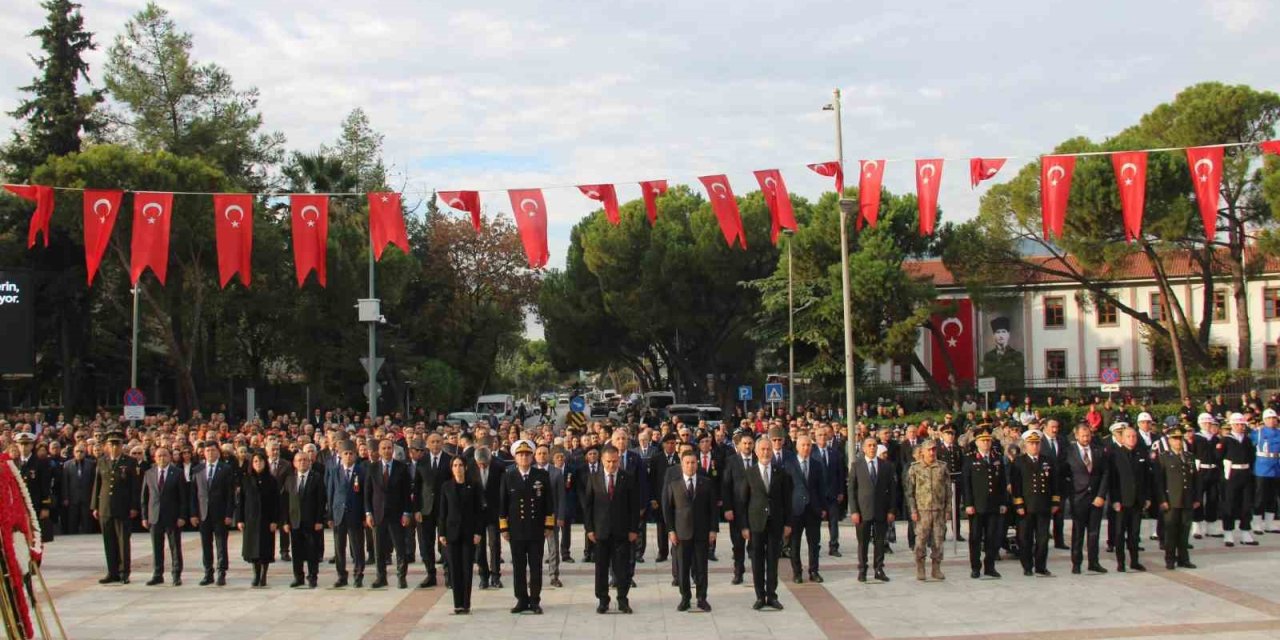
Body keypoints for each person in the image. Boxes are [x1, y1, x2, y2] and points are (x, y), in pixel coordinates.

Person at [583, 444, 642, 614]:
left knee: (622, 569)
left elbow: (634, 506)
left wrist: (633, 529)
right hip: (600, 532)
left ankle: (623, 599)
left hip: (622, 532)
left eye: (615, 461)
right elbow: (588, 506)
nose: (612, 465)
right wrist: (589, 529)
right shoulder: (593, 478)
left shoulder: (627, 477)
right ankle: (603, 600)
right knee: (601, 569)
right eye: (608, 462)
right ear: (602, 460)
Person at [499, 440, 554, 615]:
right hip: (516, 530)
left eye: (527, 454)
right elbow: (502, 504)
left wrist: (549, 525)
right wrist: (504, 528)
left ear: (532, 457)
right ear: (515, 458)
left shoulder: (541, 475)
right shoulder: (508, 476)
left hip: (536, 529)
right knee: (519, 567)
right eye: (520, 454)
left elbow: (549, 502)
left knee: (536, 566)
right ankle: (521, 599)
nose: (524, 457)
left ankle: (535, 600)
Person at [737, 436, 792, 611]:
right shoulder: (749, 473)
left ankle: (772, 595)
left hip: (775, 523)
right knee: (757, 561)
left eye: (768, 449)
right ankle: (760, 596)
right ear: (756, 451)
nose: (766, 452)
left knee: (773, 560)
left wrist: (788, 523)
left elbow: (787, 501)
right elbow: (742, 502)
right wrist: (744, 526)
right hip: (755, 524)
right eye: (762, 449)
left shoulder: (781, 473)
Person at [662, 450, 717, 612]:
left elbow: (713, 509)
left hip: (701, 532)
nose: (691, 466)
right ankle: (685, 597)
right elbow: (668, 509)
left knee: (701, 568)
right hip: (681, 532)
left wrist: (713, 529)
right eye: (687, 463)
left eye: (693, 462)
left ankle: (702, 598)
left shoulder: (706, 483)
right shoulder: (674, 484)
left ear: (697, 463)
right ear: (681, 464)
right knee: (683, 568)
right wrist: (670, 530)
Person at [90, 431, 139, 584]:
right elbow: (97, 485)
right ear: (106, 446)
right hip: (105, 506)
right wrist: (95, 506)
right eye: (111, 444)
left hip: (123, 507)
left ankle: (124, 572)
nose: (114, 447)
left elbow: (134, 487)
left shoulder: (130, 462)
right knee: (108, 540)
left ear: (121, 446)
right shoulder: (102, 461)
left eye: (117, 444)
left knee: (123, 541)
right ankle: (112, 572)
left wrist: (133, 506)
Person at [1010, 430, 1060, 576]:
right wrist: (1018, 504)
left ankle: (1041, 566)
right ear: (1025, 445)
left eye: (1037, 443)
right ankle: (1027, 566)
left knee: (1043, 539)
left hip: (1043, 505)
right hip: (1026, 506)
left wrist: (1055, 502)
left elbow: (1055, 483)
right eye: (1031, 443)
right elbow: (1016, 485)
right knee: (1025, 538)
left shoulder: (1048, 460)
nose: (1034, 446)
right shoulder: (1019, 461)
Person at [438, 456, 483, 614]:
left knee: (466, 569)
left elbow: (479, 511)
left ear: (465, 467)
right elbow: (442, 512)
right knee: (454, 569)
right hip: (451, 533)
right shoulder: (446, 487)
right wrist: (441, 532)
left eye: (460, 465)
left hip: (469, 533)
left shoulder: (474, 485)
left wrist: (478, 531)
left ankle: (466, 604)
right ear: (452, 468)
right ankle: (457, 604)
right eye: (455, 465)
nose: (458, 468)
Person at [848, 436, 897, 583]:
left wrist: (891, 510)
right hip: (863, 512)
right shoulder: (857, 465)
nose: (872, 448)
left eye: (874, 445)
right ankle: (862, 570)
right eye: (869, 445)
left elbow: (893, 491)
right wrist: (854, 511)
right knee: (862, 543)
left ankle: (879, 569)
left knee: (880, 541)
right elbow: (851, 490)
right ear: (863, 448)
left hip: (881, 510)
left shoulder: (886, 466)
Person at [366, 439, 412, 589]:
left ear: (393, 450)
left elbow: (406, 493)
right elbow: (367, 494)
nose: (386, 450)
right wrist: (368, 513)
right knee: (379, 548)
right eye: (383, 448)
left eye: (389, 448)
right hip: (378, 515)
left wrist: (406, 512)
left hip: (396, 514)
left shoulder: (401, 468)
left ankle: (401, 577)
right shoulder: (372, 468)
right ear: (378, 451)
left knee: (400, 547)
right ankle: (381, 577)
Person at [1154, 426, 1201, 570]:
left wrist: (1197, 498)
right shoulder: (1163, 457)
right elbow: (1159, 481)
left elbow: (1196, 479)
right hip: (1172, 500)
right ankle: (1170, 559)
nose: (1178, 442)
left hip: (1187, 500)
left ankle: (1183, 558)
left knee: (1184, 530)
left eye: (1180, 438)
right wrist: (1162, 500)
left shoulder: (1189, 457)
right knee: (1171, 531)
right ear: (1169, 441)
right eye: (1175, 439)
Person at [1064, 423, 1109, 574]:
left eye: (1088, 435)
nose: (1086, 438)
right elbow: (1065, 475)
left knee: (1094, 532)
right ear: (1076, 436)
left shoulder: (1098, 450)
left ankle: (1094, 562)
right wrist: (1071, 495)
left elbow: (1105, 473)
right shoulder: (1069, 452)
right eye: (1083, 435)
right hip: (1078, 498)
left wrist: (1101, 495)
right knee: (1078, 533)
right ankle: (1076, 563)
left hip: (1095, 498)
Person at [904, 439, 951, 581]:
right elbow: (909, 492)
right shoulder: (915, 468)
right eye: (929, 450)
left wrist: (948, 509)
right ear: (922, 452)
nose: (932, 452)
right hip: (922, 511)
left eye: (934, 449)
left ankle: (936, 568)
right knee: (921, 540)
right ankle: (920, 567)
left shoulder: (942, 467)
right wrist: (913, 510)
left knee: (938, 540)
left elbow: (948, 490)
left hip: (938, 510)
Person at [140, 446, 188, 586]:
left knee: (175, 547)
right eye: (159, 456)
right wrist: (144, 516)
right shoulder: (149, 473)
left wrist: (182, 516)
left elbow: (183, 497)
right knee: (156, 547)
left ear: (170, 457)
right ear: (155, 458)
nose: (162, 458)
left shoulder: (177, 473)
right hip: (154, 516)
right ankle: (157, 574)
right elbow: (144, 497)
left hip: (172, 516)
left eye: (165, 455)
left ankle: (176, 574)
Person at [961, 430, 1005, 578]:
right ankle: (975, 567)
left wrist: (1003, 502)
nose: (986, 443)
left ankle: (990, 566)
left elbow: (1002, 483)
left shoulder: (997, 458)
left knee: (992, 537)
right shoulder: (970, 459)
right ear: (977, 442)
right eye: (983, 441)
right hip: (977, 505)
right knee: (975, 538)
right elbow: (966, 484)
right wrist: (968, 504)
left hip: (993, 505)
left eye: (988, 441)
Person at [785, 433, 827, 583]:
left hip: (813, 509)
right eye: (803, 445)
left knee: (814, 543)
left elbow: (821, 487)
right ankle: (797, 572)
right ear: (797, 447)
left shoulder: (816, 464)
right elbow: (786, 489)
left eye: (809, 445)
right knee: (795, 543)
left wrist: (823, 507)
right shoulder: (789, 464)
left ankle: (814, 571)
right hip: (796, 510)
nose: (806, 448)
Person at [325, 440, 366, 588]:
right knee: (339, 547)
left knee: (357, 547)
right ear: (340, 455)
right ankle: (341, 575)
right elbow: (330, 493)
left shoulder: (361, 471)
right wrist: (329, 515)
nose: (348, 456)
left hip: (355, 515)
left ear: (355, 455)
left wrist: (364, 515)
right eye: (345, 454)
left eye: (351, 454)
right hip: (339, 514)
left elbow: (365, 495)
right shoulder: (335, 471)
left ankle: (358, 574)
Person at [282, 449, 326, 588]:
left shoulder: (317, 478)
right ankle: (298, 577)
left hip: (312, 522)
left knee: (312, 551)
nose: (302, 462)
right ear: (294, 463)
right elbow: (284, 501)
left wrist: (320, 520)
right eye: (299, 460)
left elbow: (321, 501)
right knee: (297, 551)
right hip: (295, 521)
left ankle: (312, 576)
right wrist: (285, 521)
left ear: (310, 462)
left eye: (305, 460)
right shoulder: (290, 479)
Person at [237, 451, 280, 587]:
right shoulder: (246, 479)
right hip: (251, 519)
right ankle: (256, 574)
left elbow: (276, 501)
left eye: (260, 461)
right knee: (253, 549)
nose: (258, 463)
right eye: (255, 461)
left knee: (265, 549)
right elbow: (241, 501)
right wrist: (240, 519)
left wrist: (275, 520)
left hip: (266, 520)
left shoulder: (272, 480)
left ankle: (263, 575)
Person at [1109, 426, 1150, 572]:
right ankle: (1121, 562)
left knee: (1134, 533)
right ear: (1122, 438)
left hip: (1137, 501)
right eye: (1128, 436)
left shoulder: (1141, 453)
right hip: (1122, 501)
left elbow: (1146, 478)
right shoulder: (1115, 455)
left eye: (1134, 436)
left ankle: (1135, 561)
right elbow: (1113, 480)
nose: (1132, 439)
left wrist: (1147, 497)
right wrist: (1114, 500)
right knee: (1120, 533)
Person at [719, 430, 755, 585]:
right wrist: (727, 508)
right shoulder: (732, 461)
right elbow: (726, 486)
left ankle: (757, 573)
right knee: (738, 545)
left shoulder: (759, 459)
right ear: (739, 445)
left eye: (750, 443)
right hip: (737, 509)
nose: (747, 446)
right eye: (744, 443)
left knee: (755, 545)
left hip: (755, 510)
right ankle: (738, 572)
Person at [472, 445, 506, 590]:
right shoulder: (470, 467)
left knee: (494, 544)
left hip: (494, 511)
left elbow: (502, 491)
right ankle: (483, 576)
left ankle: (495, 575)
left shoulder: (499, 467)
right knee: (479, 546)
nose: (483, 466)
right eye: (480, 464)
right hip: (477, 513)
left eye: (485, 464)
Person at [1221, 411, 1257, 547]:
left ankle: (1245, 531)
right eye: (1238, 424)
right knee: (1229, 503)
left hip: (1245, 473)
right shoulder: (1226, 440)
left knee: (1246, 504)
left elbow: (1252, 456)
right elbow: (1219, 457)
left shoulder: (1247, 440)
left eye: (1243, 424)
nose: (1241, 427)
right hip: (1232, 473)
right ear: (1233, 425)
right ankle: (1228, 532)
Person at [1252, 407, 1280, 534]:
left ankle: (1269, 524)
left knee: (1272, 497)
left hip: (1276, 468)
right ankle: (1257, 524)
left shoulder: (1279, 432)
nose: (1272, 420)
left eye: (1273, 418)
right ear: (1264, 420)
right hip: (1262, 469)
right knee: (1260, 496)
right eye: (1269, 418)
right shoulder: (1258, 433)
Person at [60, 443, 96, 535]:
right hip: (72, 497)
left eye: (81, 451)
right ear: (73, 452)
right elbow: (65, 482)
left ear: (85, 452)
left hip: (86, 497)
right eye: (77, 451)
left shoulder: (91, 464)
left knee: (87, 521)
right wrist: (65, 497)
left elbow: (93, 482)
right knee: (72, 521)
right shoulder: (67, 464)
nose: (79, 453)